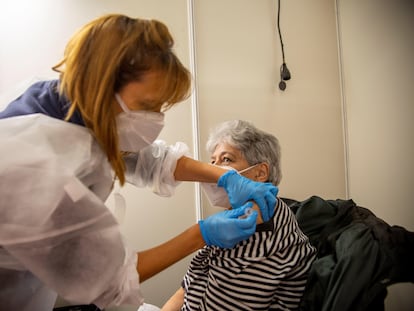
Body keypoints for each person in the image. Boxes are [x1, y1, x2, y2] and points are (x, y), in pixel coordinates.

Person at [0, 14, 278, 310]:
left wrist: (222, 177)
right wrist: (202, 234)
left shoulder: (68, 107)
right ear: (102, 83)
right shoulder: (32, 167)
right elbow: (110, 281)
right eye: (147, 106)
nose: (156, 118)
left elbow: (150, 159)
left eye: (159, 107)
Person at [162, 120, 317, 311]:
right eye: (212, 162)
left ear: (260, 173)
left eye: (226, 159)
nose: (213, 171)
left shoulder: (264, 221)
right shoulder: (231, 218)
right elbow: (187, 287)